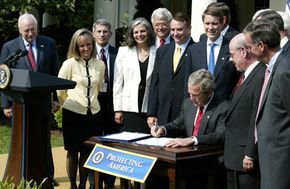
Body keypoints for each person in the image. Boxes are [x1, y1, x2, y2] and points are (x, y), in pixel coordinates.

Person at [0, 13, 59, 187]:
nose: (31, 33)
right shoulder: (10, 47)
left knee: (44, 140)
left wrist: (55, 99)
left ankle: (47, 175)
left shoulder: (48, 44)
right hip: (20, 105)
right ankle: (19, 172)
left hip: (42, 102)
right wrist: (5, 105)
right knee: (20, 140)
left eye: (33, 29)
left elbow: (54, 73)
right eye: (27, 30)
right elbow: (3, 78)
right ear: (20, 30)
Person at [151, 69, 228, 189]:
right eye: (190, 94)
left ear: (208, 92)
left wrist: (193, 139)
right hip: (186, 162)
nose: (191, 98)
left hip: (210, 165)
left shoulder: (223, 107)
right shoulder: (188, 104)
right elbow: (177, 125)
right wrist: (162, 129)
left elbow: (219, 136)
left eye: (196, 95)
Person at [244, 19, 290, 189]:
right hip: (269, 155)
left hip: (281, 158)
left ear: (261, 46)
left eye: (249, 46)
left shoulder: (284, 70)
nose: (247, 51)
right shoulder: (273, 67)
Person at [57, 28, 105, 189]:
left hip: (93, 114)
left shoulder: (100, 64)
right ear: (76, 47)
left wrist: (91, 103)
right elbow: (60, 90)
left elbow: (98, 87)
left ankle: (83, 185)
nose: (86, 49)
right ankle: (72, 185)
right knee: (72, 152)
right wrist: (67, 105)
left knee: (87, 151)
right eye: (82, 46)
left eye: (89, 45)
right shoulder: (69, 64)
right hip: (73, 113)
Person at [224, 33, 265, 189]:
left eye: (232, 54)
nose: (230, 59)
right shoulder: (245, 76)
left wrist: (250, 153)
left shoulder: (260, 75)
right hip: (235, 157)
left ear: (243, 51)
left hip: (246, 160)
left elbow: (257, 117)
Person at [147, 12, 195, 128]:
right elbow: (155, 83)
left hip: (186, 113)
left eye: (179, 29)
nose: (175, 33)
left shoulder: (197, 50)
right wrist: (151, 113)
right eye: (173, 30)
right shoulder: (162, 51)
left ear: (189, 29)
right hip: (163, 113)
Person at [88, 18, 118, 189]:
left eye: (105, 31)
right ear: (93, 33)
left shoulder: (117, 53)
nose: (101, 34)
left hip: (112, 106)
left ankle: (110, 183)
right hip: (93, 105)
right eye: (98, 31)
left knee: (111, 143)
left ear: (110, 34)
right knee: (95, 143)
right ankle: (94, 182)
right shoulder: (88, 53)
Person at [186, 6, 239, 101]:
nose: (210, 27)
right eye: (207, 23)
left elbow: (237, 81)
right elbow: (187, 82)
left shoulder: (231, 48)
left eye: (214, 23)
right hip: (199, 106)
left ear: (222, 23)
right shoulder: (193, 50)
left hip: (224, 107)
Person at [113, 17, 156, 133]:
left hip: (149, 108)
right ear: (132, 34)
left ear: (148, 32)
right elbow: (117, 83)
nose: (139, 34)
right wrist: (118, 109)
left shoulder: (157, 52)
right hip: (128, 107)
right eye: (136, 32)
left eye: (143, 31)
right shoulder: (123, 52)